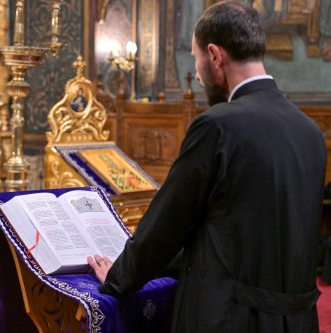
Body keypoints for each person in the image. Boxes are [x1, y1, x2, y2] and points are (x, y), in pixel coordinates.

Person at [88, 1, 326, 332]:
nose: (198, 75)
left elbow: (169, 224)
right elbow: (238, 231)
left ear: (214, 56)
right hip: (298, 321)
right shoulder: (310, 132)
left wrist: (118, 276)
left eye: (197, 59)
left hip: (231, 319)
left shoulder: (218, 126)